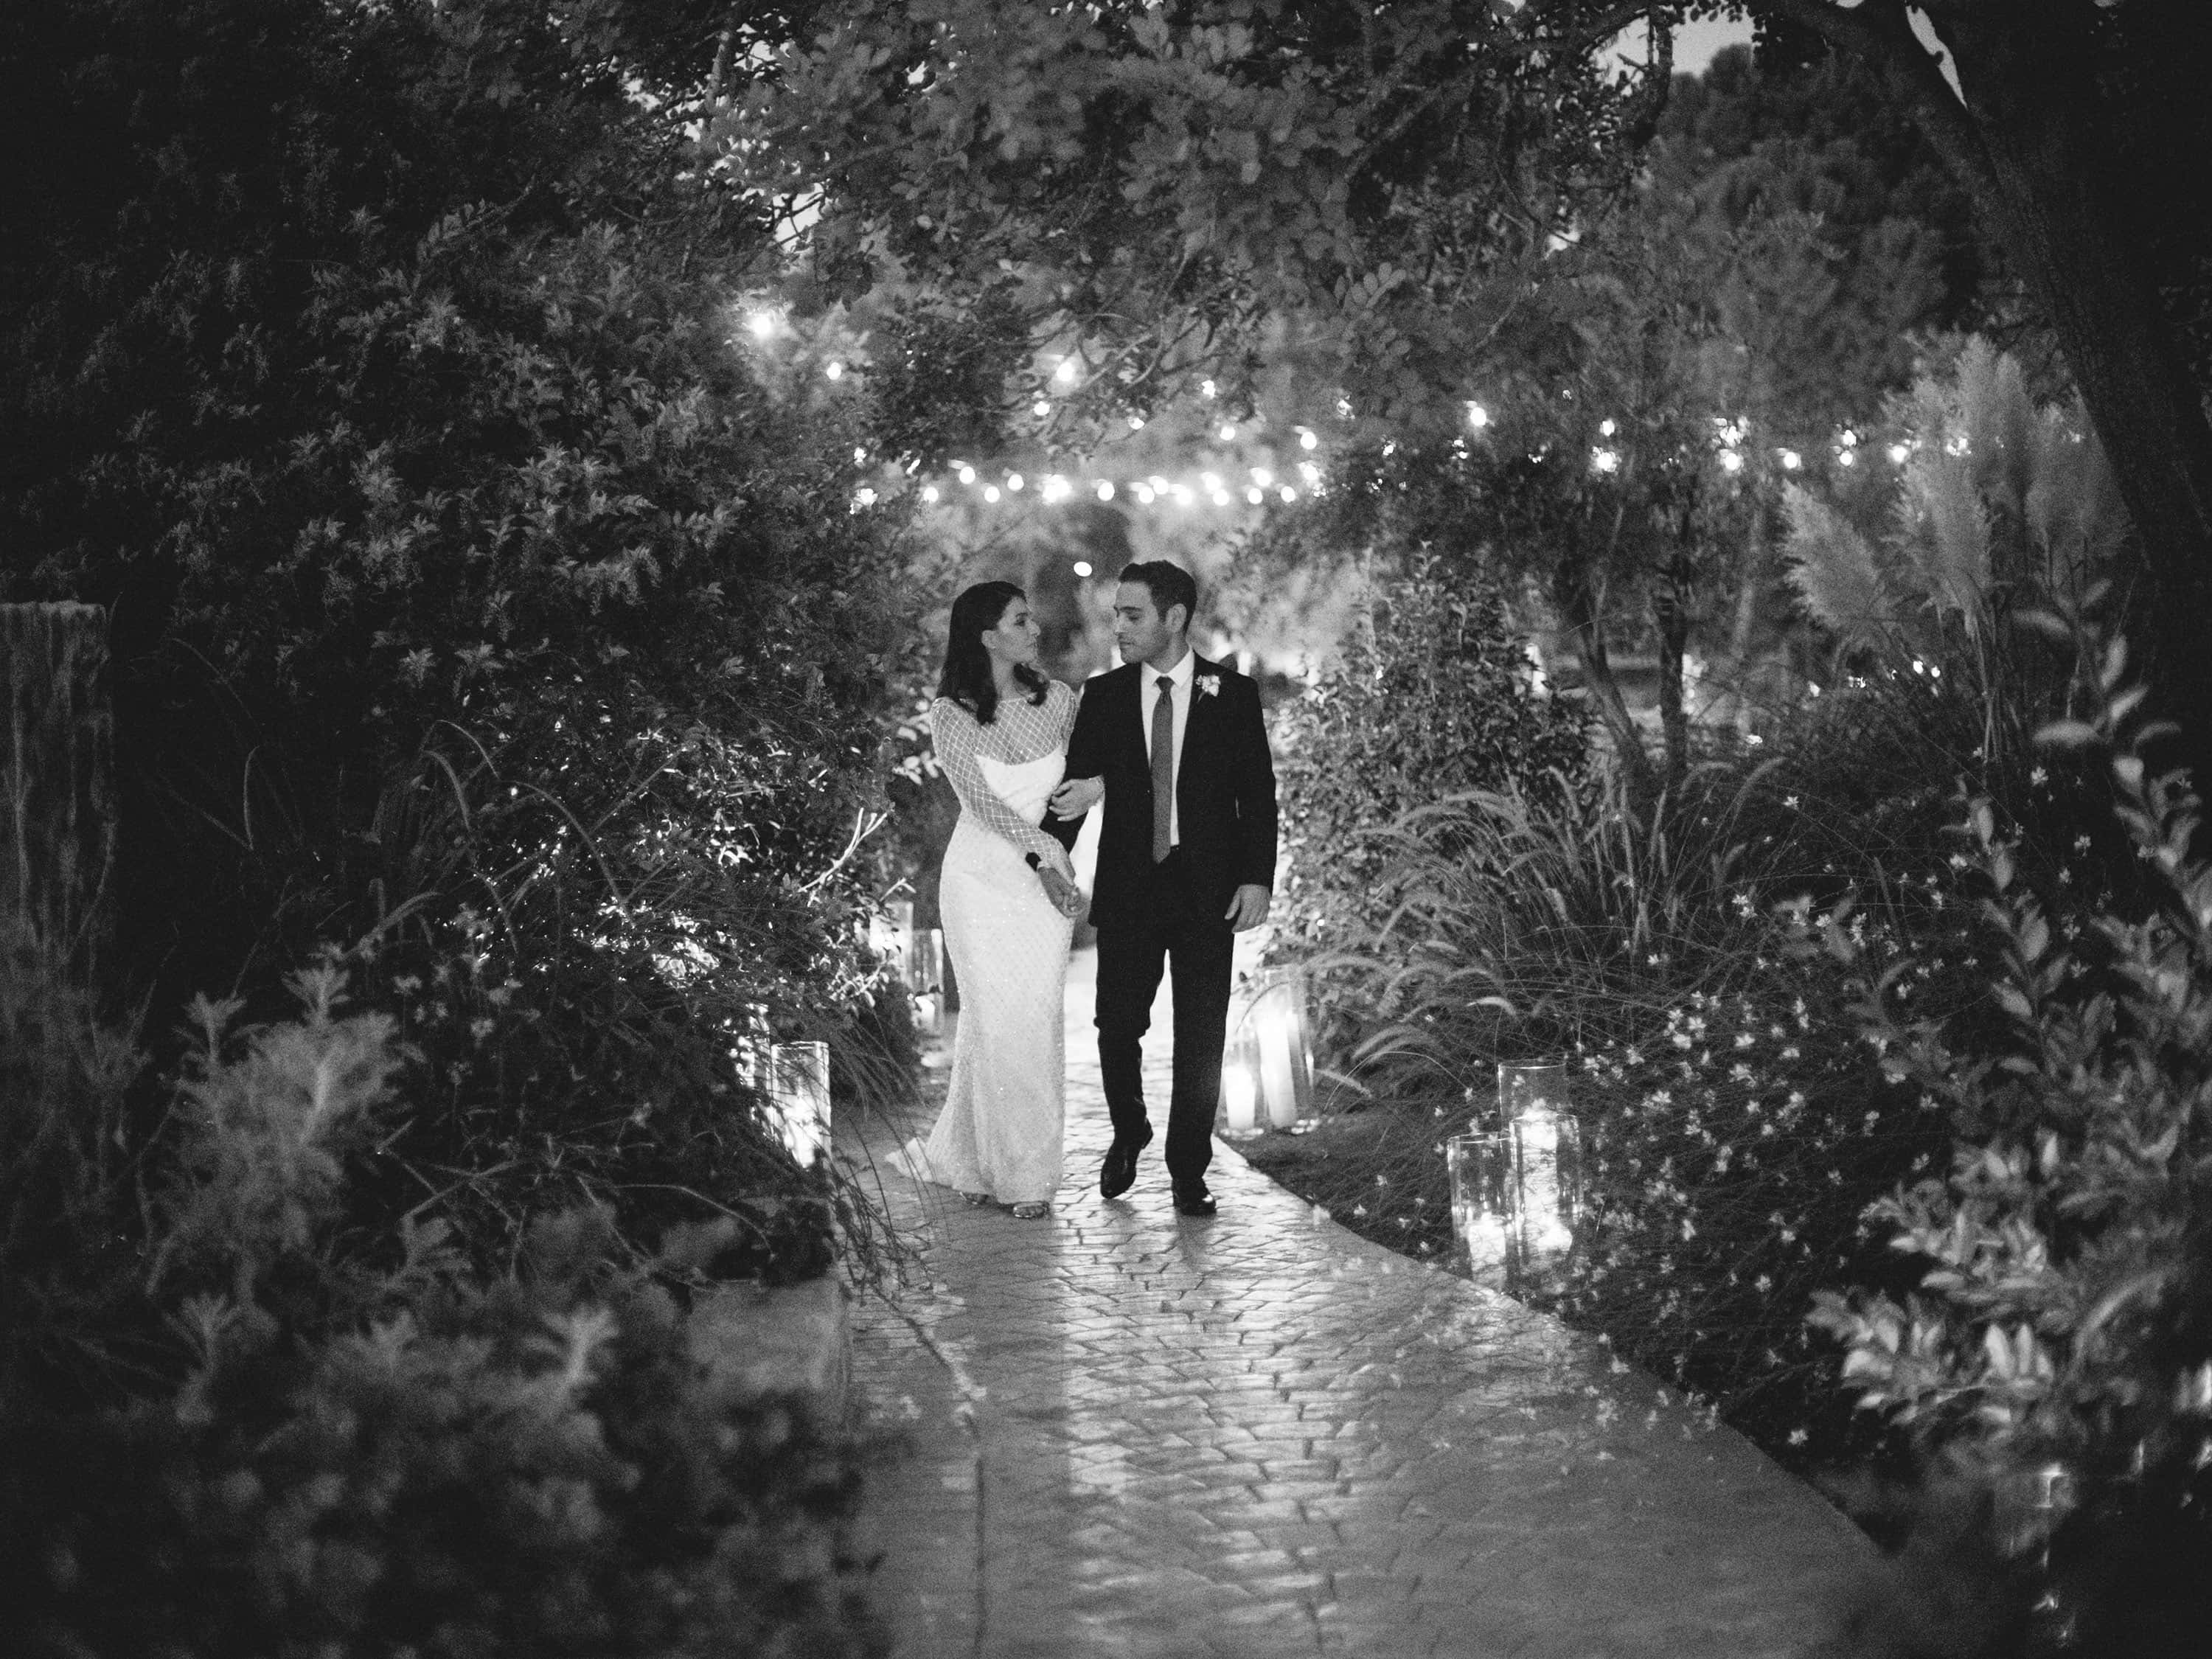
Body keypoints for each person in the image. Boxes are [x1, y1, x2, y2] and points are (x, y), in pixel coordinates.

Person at [1046, 561, 1277, 1217]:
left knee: (1201, 1034)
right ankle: (1130, 1130)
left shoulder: (1233, 695)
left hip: (1209, 889)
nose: (1118, 628)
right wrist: (1047, 861)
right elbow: (1077, 790)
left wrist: (1257, 878)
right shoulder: (1105, 695)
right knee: (1116, 1025)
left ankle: (1188, 1170)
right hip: (1130, 885)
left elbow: (1257, 796)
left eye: (1132, 615)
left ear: (1174, 618)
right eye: (1117, 615)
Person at [900, 581, 1087, 1220]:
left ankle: (982, 1159)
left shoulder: (1059, 700)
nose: (1035, 629)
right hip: (980, 881)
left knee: (1031, 1020)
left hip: (1043, 887)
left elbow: (1082, 779)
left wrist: (1072, 826)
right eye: (1020, 620)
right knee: (993, 1017)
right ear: (986, 635)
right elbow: (980, 804)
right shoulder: (950, 713)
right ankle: (1020, 1177)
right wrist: (1041, 851)